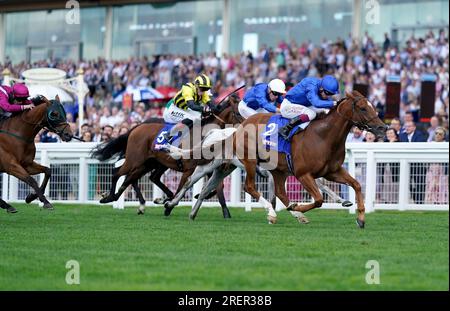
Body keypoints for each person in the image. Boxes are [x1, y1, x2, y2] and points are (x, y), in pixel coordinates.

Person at [162, 74, 213, 143]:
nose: (204, 91)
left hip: (183, 108)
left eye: (206, 89)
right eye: (202, 88)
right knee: (191, 118)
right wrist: (205, 109)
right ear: (196, 85)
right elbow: (191, 105)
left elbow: (212, 105)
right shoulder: (188, 88)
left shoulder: (203, 92)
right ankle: (169, 134)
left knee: (199, 117)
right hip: (172, 109)